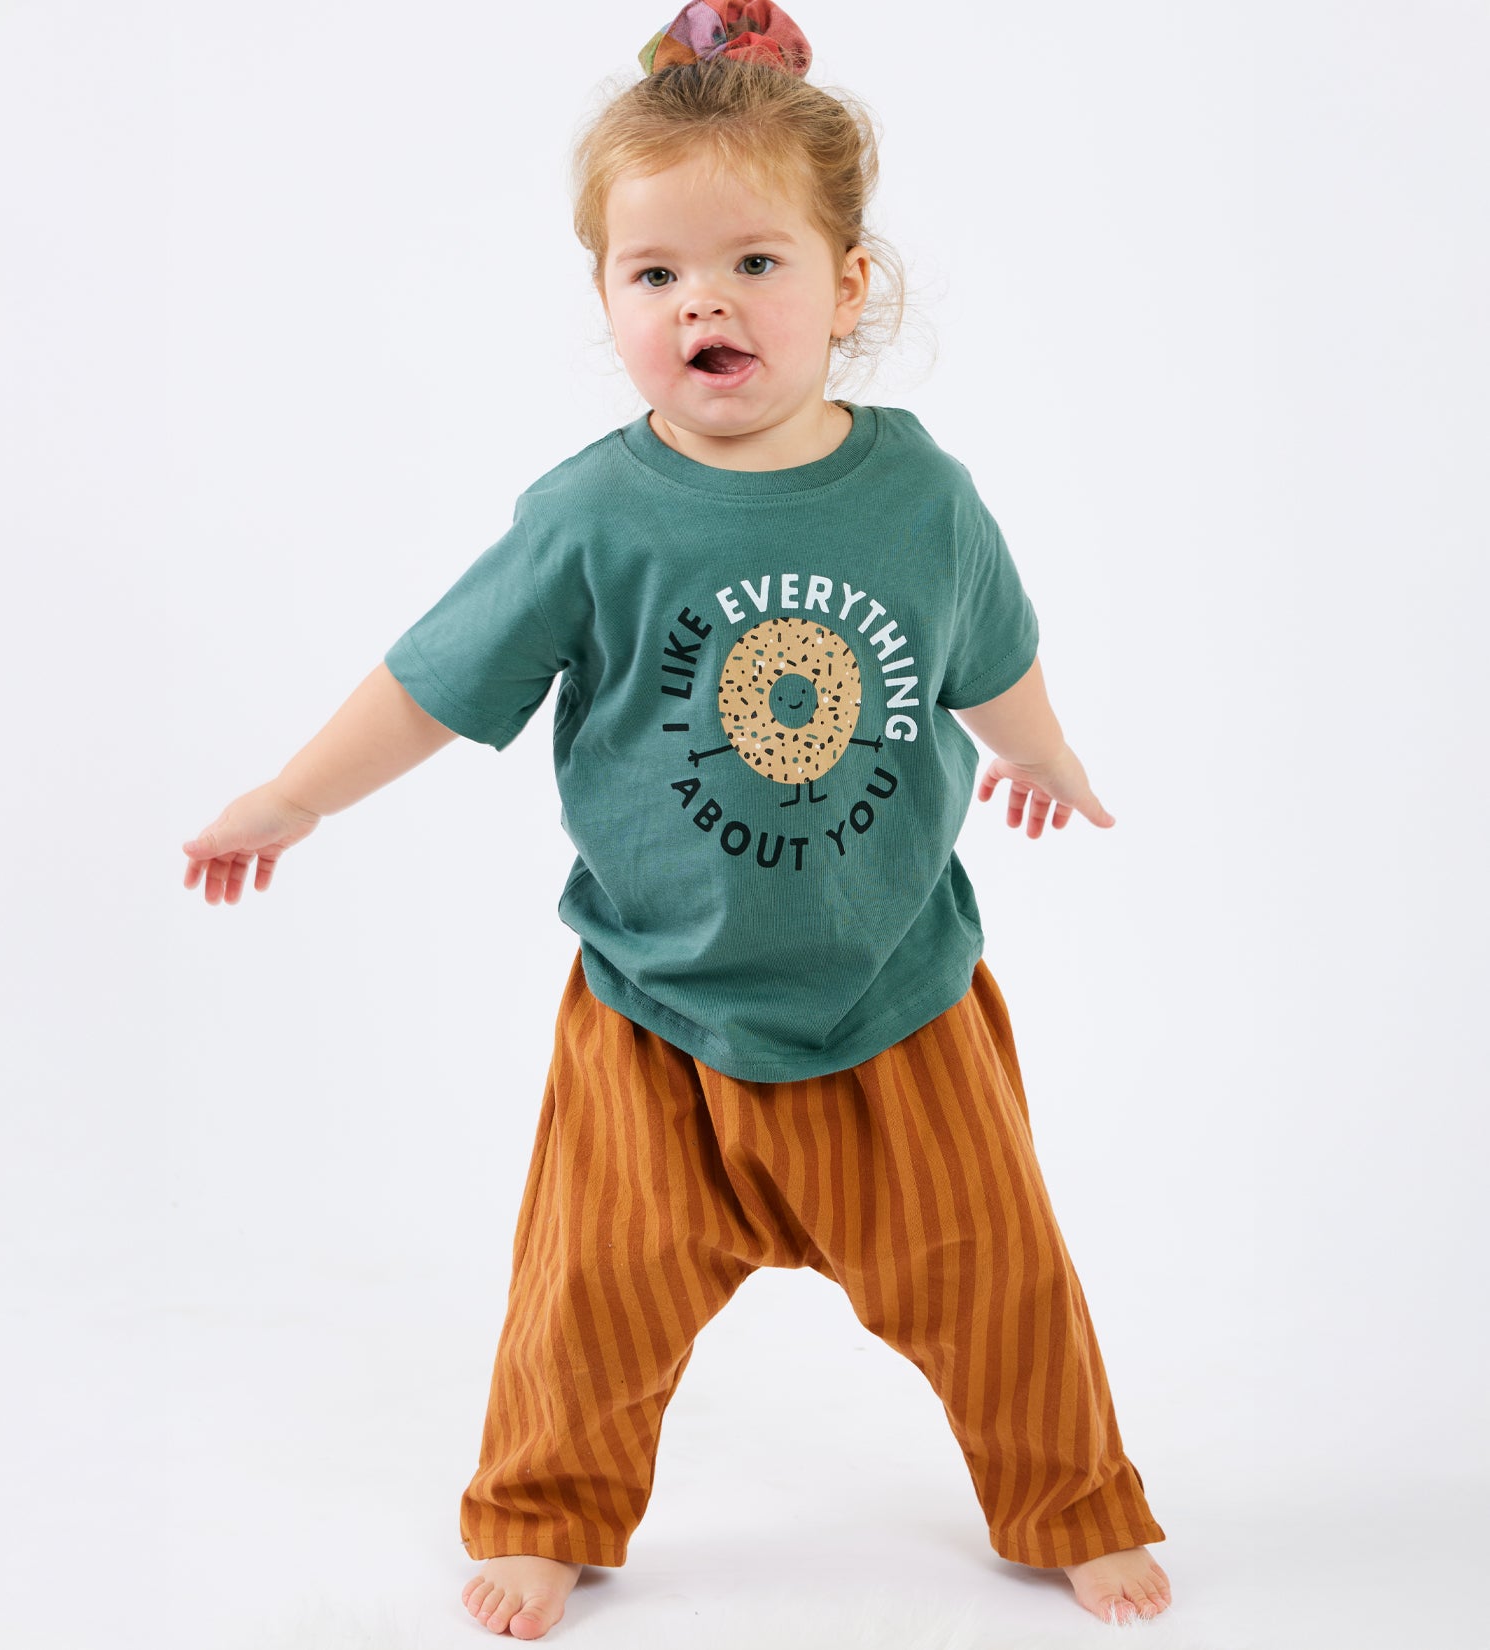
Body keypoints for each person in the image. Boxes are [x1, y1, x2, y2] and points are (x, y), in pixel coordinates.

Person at [180, 2, 1173, 1637]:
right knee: (586, 1294)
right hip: (654, 1015)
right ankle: (546, 1508)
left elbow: (990, 649)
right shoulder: (593, 514)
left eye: (753, 262)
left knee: (1002, 1276)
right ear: (608, 302)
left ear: (848, 287)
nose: (700, 298)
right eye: (654, 273)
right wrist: (292, 793)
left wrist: (1045, 754)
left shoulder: (923, 495)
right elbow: (435, 679)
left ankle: (1069, 1494)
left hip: (896, 1007)